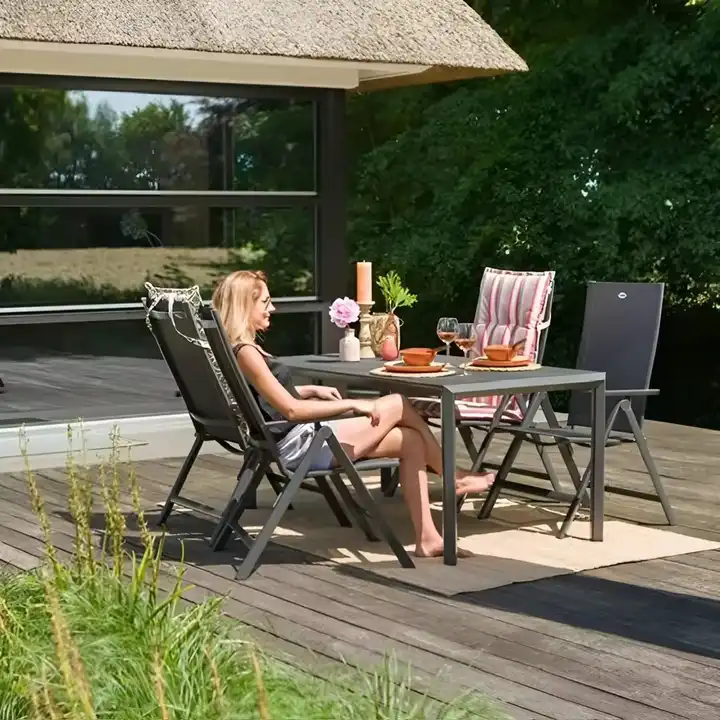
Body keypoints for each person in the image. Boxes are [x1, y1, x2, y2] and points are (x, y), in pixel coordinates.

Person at [212, 270, 495, 558]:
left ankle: (428, 538)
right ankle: (453, 477)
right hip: (301, 445)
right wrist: (352, 405)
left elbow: (268, 397)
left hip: (293, 440)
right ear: (245, 305)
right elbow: (292, 410)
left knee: (410, 441)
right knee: (398, 403)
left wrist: (310, 389)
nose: (272, 308)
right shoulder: (246, 352)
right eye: (265, 302)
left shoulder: (240, 348)